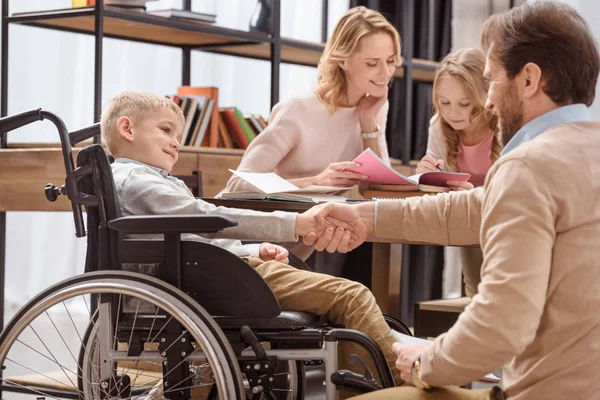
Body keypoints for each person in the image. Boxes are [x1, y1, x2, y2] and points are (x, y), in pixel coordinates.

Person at [309, 1, 600, 398]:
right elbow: (469, 208)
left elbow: (501, 324)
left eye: (493, 80)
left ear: (529, 79)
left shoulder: (530, 166)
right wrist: (364, 216)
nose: (490, 101)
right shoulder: (580, 154)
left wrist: (425, 362)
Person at [100, 91, 404, 389]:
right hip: (204, 281)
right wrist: (297, 223)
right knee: (351, 296)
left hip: (202, 273)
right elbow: (204, 217)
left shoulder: (142, 182)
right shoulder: (136, 181)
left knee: (340, 298)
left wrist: (255, 248)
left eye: (178, 135)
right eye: (166, 130)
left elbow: (189, 240)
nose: (176, 143)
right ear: (127, 128)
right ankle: (406, 384)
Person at [222, 5, 401, 260]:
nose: (385, 74)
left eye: (391, 61)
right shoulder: (300, 108)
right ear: (343, 59)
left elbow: (377, 190)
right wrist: (316, 181)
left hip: (294, 250)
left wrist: (368, 122)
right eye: (373, 63)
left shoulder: (372, 105)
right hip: (245, 244)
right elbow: (237, 186)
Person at [417, 48, 502, 298]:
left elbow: (518, 187)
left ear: (483, 97)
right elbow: (436, 188)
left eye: (464, 104)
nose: (453, 113)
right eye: (444, 103)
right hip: (468, 219)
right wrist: (428, 178)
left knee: (498, 289)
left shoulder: (503, 126)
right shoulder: (439, 128)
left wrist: (475, 193)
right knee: (476, 291)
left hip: (504, 217)